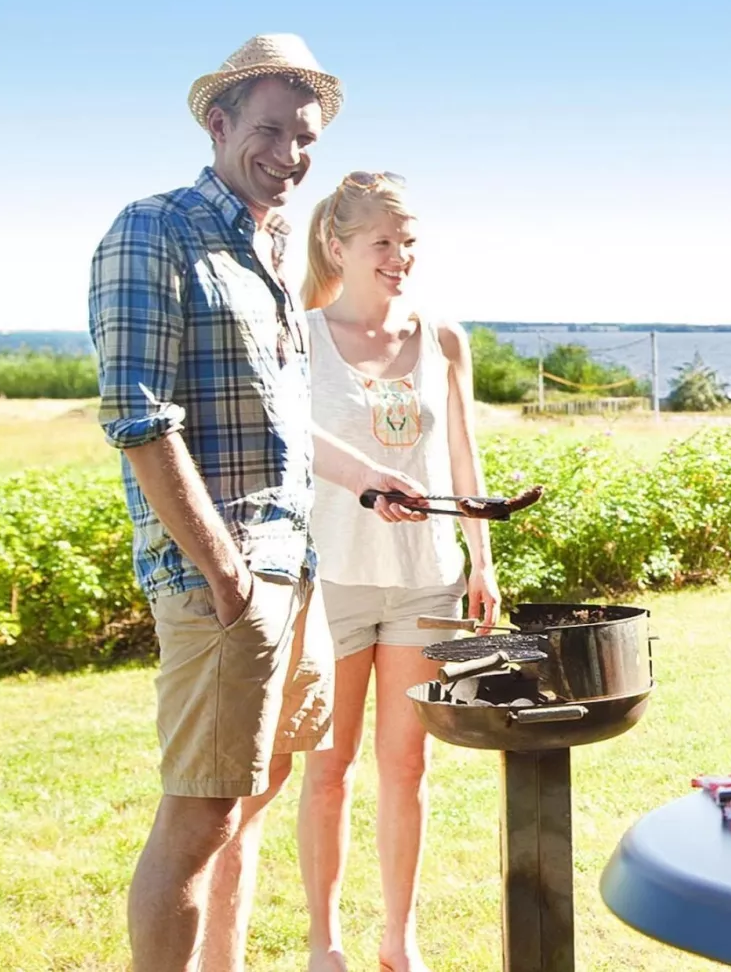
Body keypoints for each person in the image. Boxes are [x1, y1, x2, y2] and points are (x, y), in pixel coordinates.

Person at [89, 34, 424, 972]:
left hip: (295, 569)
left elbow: (277, 424)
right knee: (197, 819)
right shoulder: (152, 229)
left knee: (248, 799)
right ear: (218, 122)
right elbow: (140, 421)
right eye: (270, 131)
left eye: (305, 137)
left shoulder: (270, 252)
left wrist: (363, 478)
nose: (291, 154)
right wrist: (228, 578)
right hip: (225, 579)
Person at [296, 171, 499, 972]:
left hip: (425, 578)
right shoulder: (299, 335)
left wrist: (482, 562)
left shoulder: (442, 338)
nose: (399, 257)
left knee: (406, 764)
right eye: (382, 242)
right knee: (328, 767)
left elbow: (464, 453)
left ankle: (397, 939)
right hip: (332, 580)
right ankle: (325, 943)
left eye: (408, 243)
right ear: (336, 245)